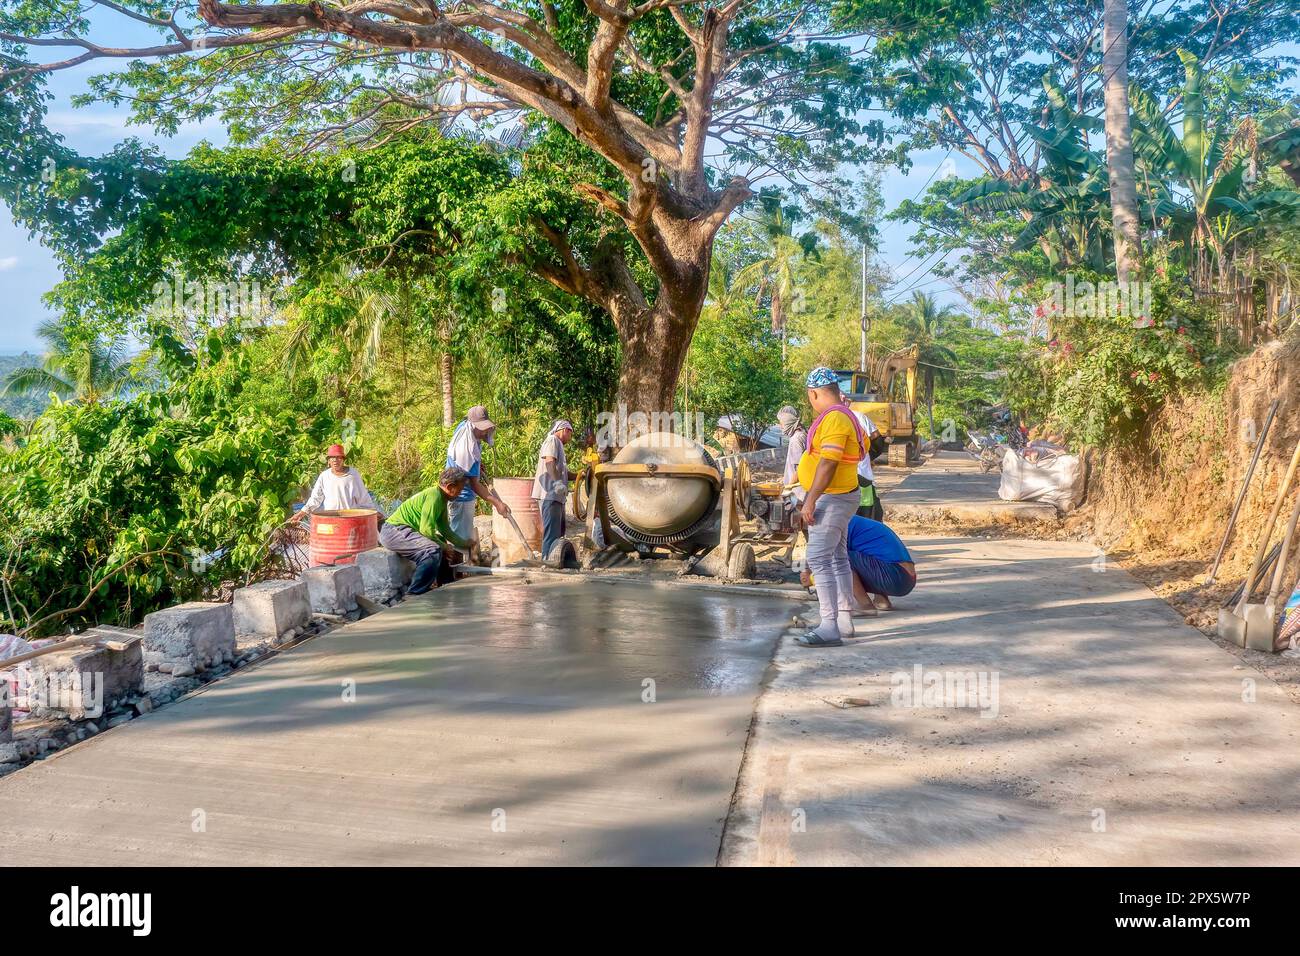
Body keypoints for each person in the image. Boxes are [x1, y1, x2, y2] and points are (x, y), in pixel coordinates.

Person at [795, 366, 868, 648]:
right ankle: (843, 620)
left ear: (813, 394)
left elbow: (828, 462)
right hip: (841, 496)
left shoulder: (835, 418)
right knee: (837, 558)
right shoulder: (843, 415)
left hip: (833, 498)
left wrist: (810, 499)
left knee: (818, 558)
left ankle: (828, 626)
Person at [379, 466, 473, 594]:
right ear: (450, 487)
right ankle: (415, 593)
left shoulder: (442, 499)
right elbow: (426, 530)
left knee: (439, 540)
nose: (460, 493)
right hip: (393, 531)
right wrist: (444, 547)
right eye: (460, 489)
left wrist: (464, 543)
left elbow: (445, 530)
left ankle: (446, 584)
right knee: (432, 550)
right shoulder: (434, 497)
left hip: (401, 531)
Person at [802, 515, 915, 611]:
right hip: (906, 579)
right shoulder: (848, 519)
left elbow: (826, 556)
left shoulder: (837, 524)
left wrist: (812, 578)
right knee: (864, 553)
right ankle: (882, 600)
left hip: (896, 575)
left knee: (839, 559)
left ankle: (865, 606)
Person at [445, 405, 511, 548]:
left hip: (458, 496)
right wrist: (498, 504)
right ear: (472, 424)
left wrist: (476, 466)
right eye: (481, 428)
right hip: (461, 498)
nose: (485, 431)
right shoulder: (467, 448)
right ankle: (457, 570)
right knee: (459, 543)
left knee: (460, 538)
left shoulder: (463, 427)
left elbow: (466, 466)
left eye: (486, 426)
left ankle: (460, 567)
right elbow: (475, 485)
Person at [532, 419, 576, 560]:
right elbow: (549, 461)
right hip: (550, 495)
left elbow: (563, 473)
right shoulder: (552, 440)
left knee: (558, 533)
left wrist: (580, 474)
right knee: (551, 534)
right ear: (565, 430)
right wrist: (557, 483)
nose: (570, 438)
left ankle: (555, 561)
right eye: (571, 434)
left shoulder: (559, 446)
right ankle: (547, 561)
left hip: (557, 497)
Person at [302, 444, 385, 517]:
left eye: (338, 457)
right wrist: (302, 512)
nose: (335, 460)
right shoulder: (324, 476)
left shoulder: (352, 475)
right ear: (329, 461)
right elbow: (315, 498)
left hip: (350, 518)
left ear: (343, 460)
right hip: (331, 518)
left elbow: (363, 497)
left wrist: (373, 512)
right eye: (332, 458)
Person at [852, 410, 885, 521]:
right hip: (862, 477)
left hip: (837, 484)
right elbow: (877, 440)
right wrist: (870, 456)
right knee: (869, 518)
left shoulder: (823, 421)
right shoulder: (858, 416)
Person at [777, 405, 807, 495]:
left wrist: (788, 487)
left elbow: (800, 469)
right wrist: (785, 477)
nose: (780, 427)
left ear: (788, 423)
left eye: (781, 423)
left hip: (798, 491)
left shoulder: (796, 439)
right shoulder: (802, 434)